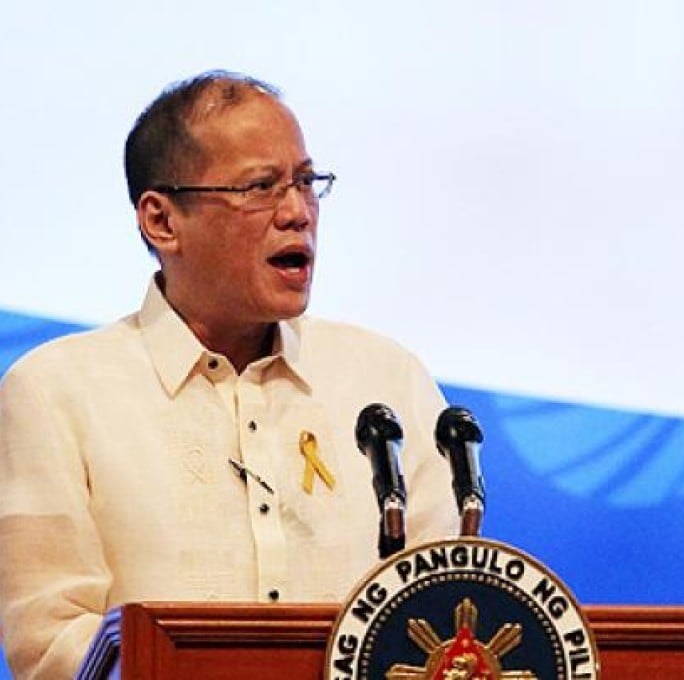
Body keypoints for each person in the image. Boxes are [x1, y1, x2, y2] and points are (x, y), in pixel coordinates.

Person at [0, 71, 459, 679]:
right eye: (260, 187)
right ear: (162, 221)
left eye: (305, 182)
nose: (297, 213)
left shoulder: (386, 381)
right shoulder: (57, 393)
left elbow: (449, 614)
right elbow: (51, 644)